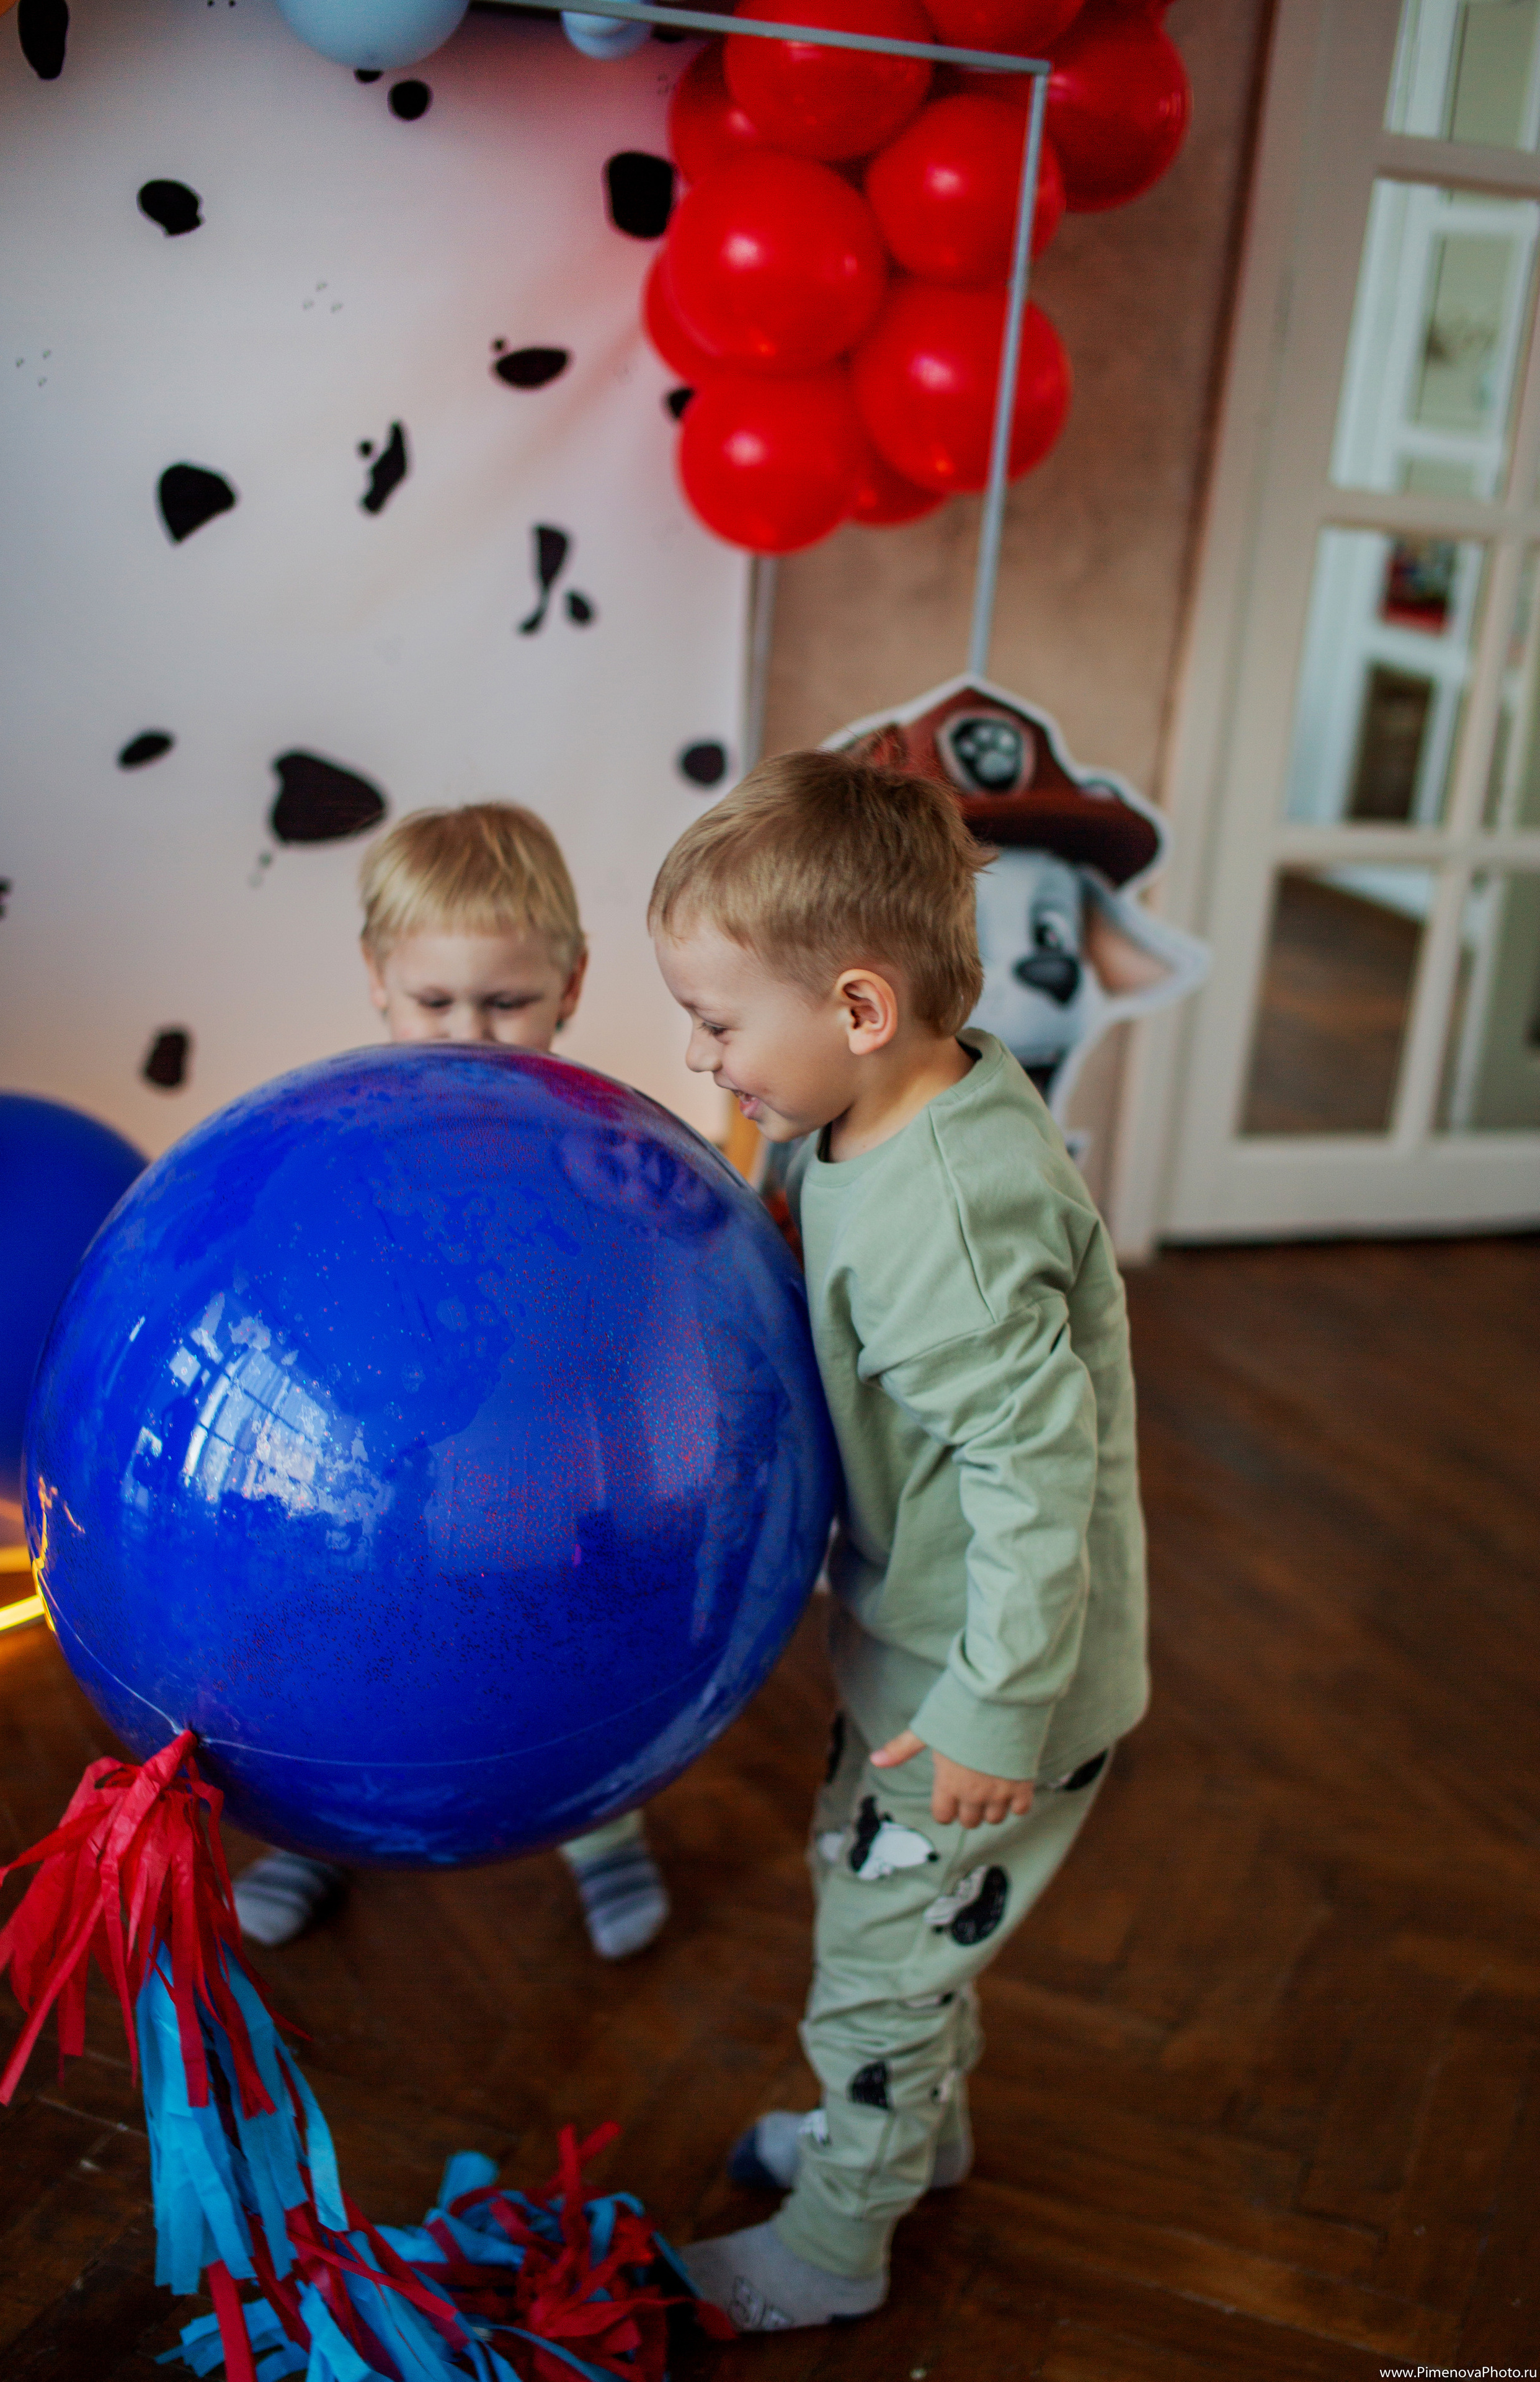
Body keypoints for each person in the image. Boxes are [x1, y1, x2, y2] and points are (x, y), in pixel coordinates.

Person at [648, 751, 1149, 2332]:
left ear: (859, 1010)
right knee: (902, 1921)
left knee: (878, 1951)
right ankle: (905, 2130)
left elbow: (1031, 1469)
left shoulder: (944, 1209)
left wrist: (996, 1707)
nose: (700, 1052)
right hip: (914, 1645)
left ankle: (835, 2243)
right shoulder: (877, 1108)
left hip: (982, 1678)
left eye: (722, 1026)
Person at [233, 803, 672, 1965]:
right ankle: (314, 1825)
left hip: (546, 1451)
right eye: (436, 1002)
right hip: (378, 1451)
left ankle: (602, 1823)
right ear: (378, 980)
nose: (469, 1032)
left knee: (573, 1624)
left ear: (571, 986)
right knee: (353, 1630)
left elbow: (638, 1293)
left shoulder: (596, 1138)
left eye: (507, 1002)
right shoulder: (343, 1133)